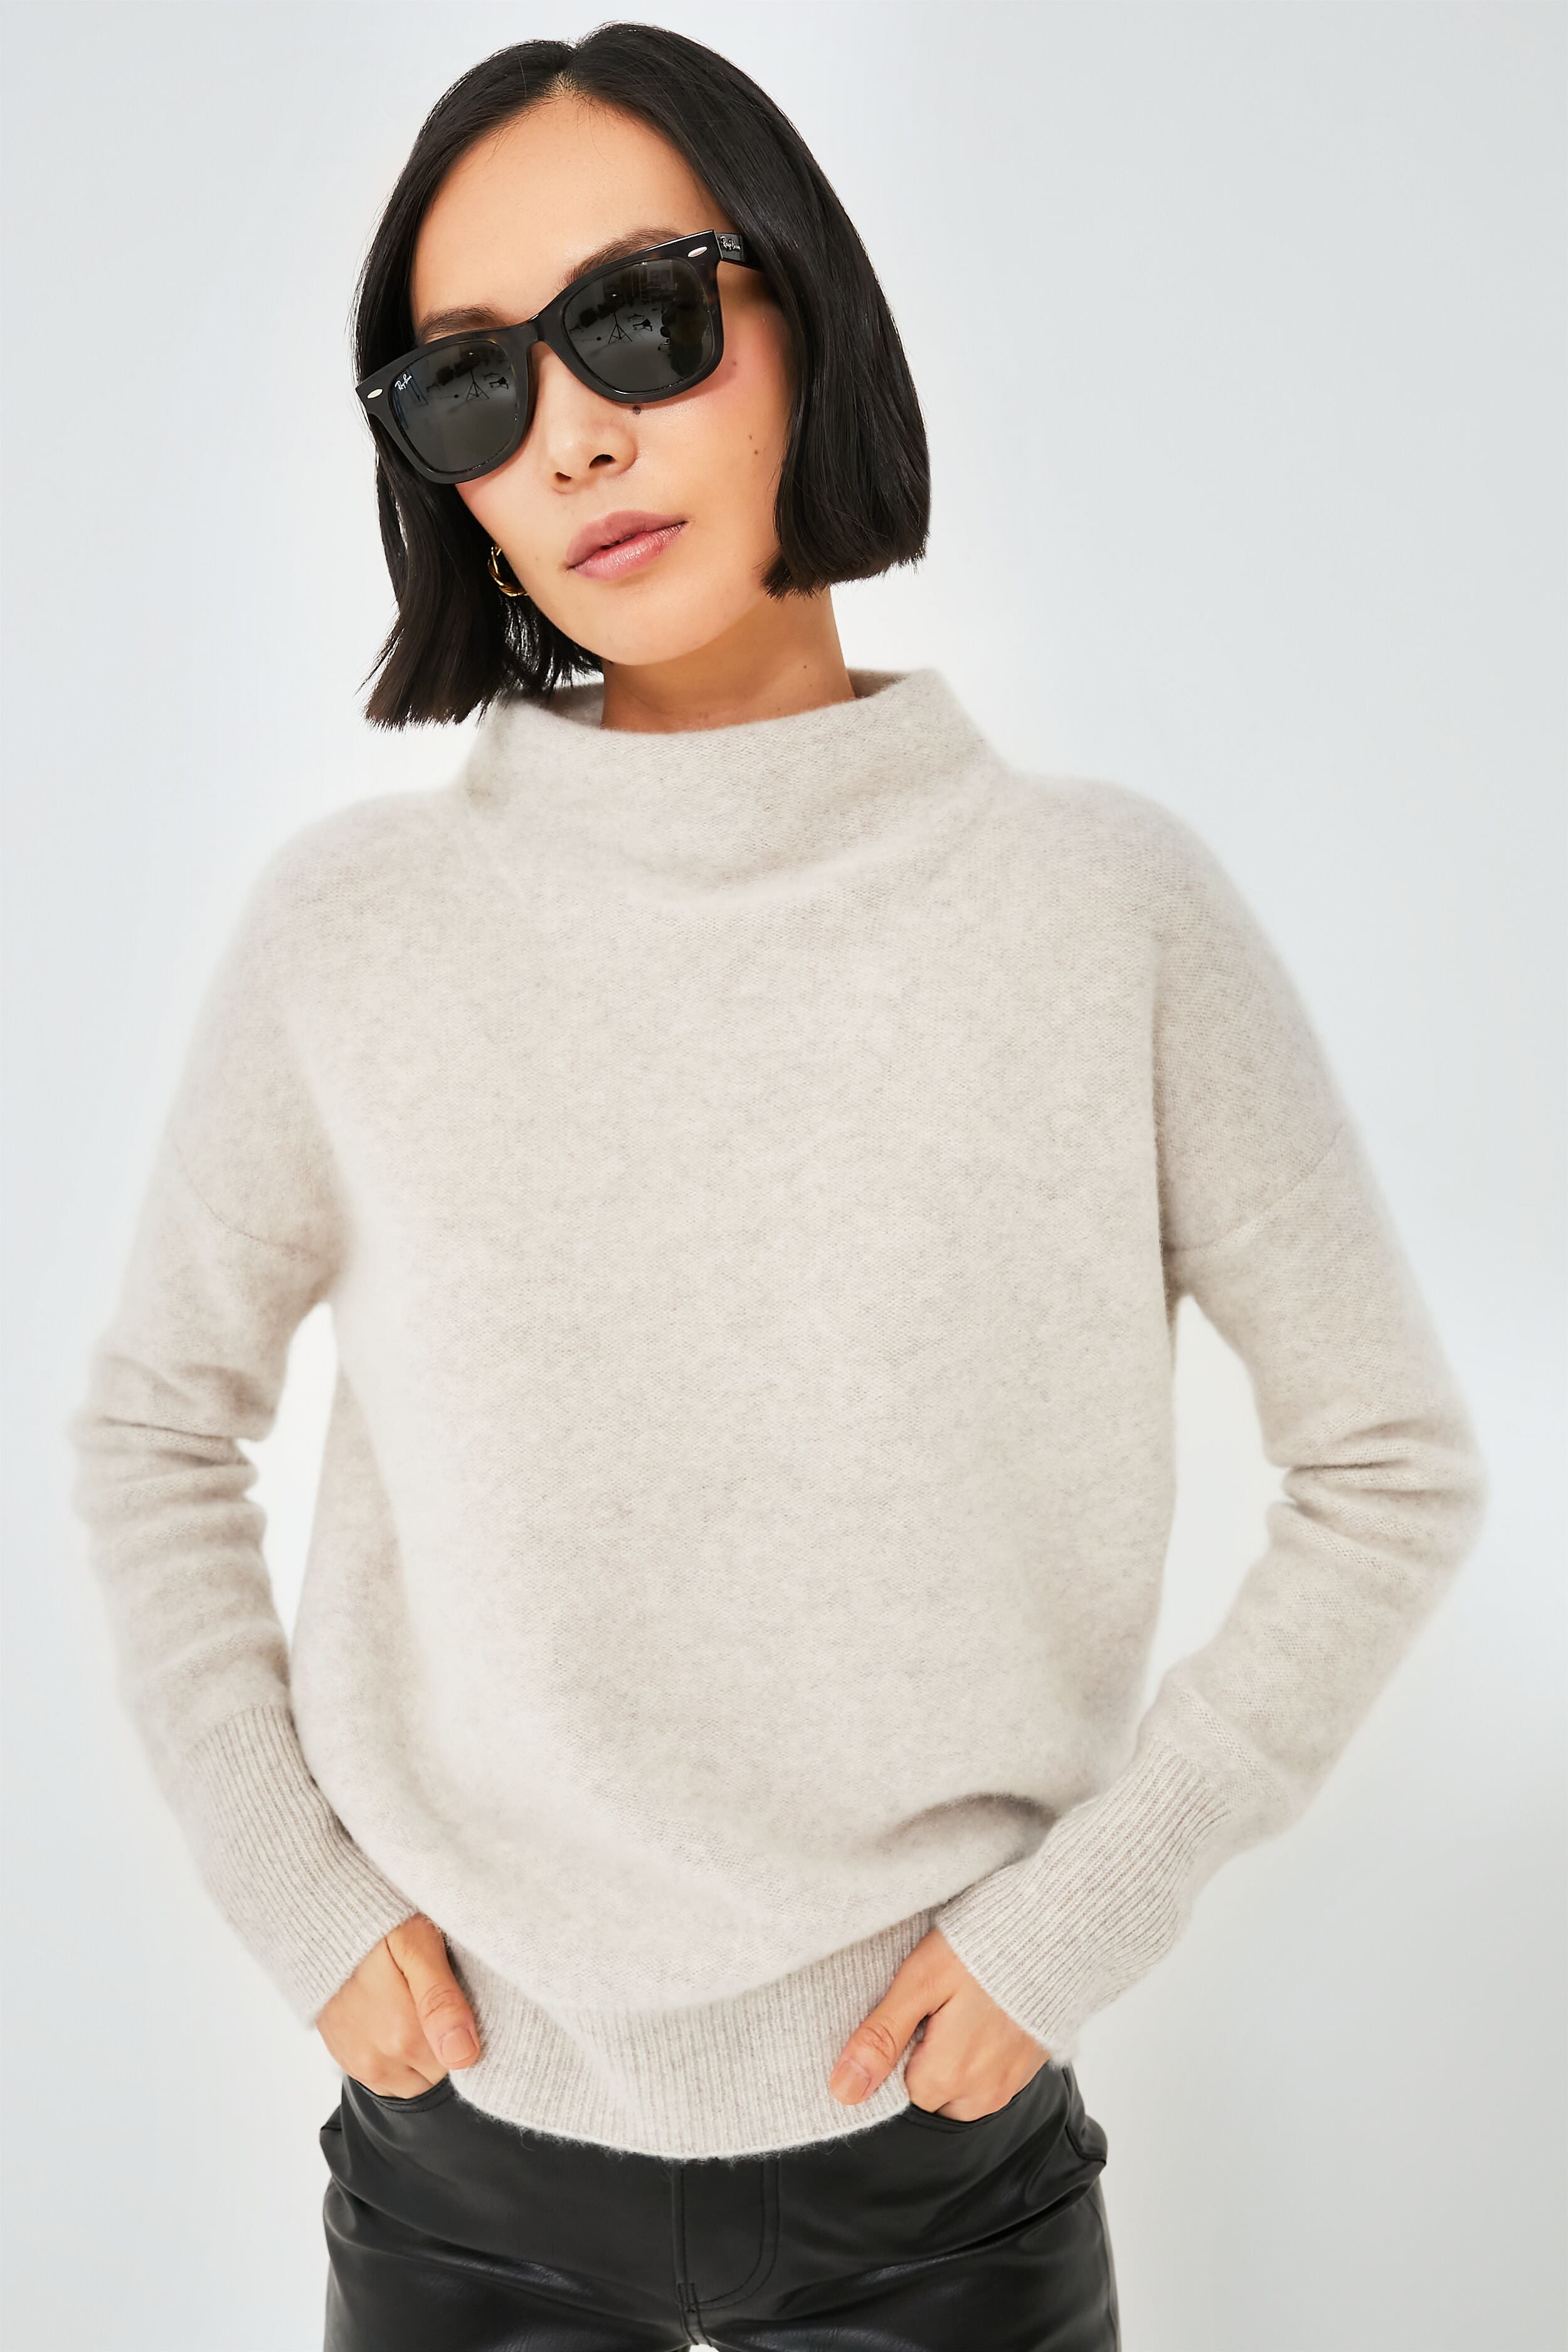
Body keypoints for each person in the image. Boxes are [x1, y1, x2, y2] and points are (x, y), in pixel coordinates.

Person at [63, 23, 1488, 2352]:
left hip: (941, 2198)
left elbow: (1388, 1464)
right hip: (457, 2188)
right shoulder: (355, 935)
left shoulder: (1102, 911)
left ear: (801, 312)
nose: (573, 434)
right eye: (469, 385)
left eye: (637, 318)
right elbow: (152, 1425)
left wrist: (1075, 1928)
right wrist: (292, 1893)